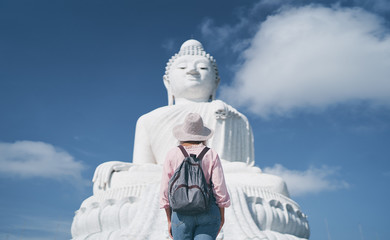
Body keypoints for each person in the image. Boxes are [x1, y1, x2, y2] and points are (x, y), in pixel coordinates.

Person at [160, 113, 230, 240]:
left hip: (180, 212)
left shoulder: (172, 153)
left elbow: (165, 189)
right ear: (202, 135)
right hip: (208, 210)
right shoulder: (211, 154)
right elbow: (219, 188)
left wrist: (169, 219)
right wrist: (221, 215)